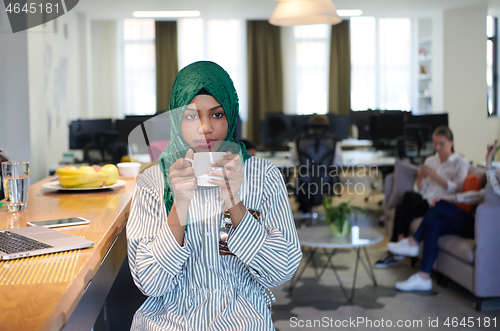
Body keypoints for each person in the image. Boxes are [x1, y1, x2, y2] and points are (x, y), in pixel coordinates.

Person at [126, 61, 302, 331]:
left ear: (231, 115)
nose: (205, 127)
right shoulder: (153, 182)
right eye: (191, 115)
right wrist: (180, 204)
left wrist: (235, 204)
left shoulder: (262, 176)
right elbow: (151, 284)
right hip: (168, 323)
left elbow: (280, 271)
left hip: (241, 321)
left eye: (217, 115)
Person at [388, 140, 500, 291]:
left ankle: (413, 243)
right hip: (474, 222)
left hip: (482, 227)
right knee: (435, 222)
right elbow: (479, 195)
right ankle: (423, 277)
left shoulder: (480, 171)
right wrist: (448, 198)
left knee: (438, 207)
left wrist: (488, 162)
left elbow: (494, 190)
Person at [375, 126, 469, 268]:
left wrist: (435, 177)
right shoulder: (431, 160)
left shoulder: (460, 163)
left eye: (441, 144)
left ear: (452, 143)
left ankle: (396, 248)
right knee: (405, 201)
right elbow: (419, 189)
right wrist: (420, 179)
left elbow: (458, 188)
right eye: (435, 143)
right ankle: (400, 242)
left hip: (440, 205)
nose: (437, 147)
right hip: (425, 201)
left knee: (406, 202)